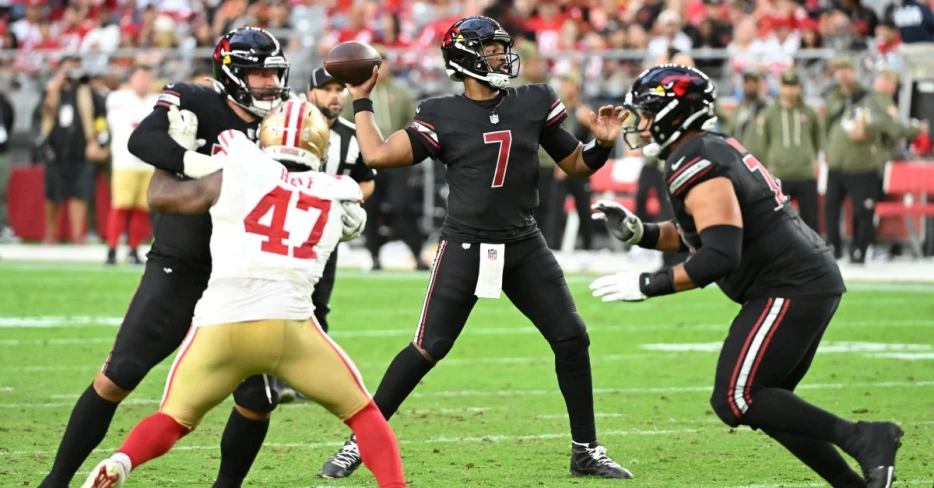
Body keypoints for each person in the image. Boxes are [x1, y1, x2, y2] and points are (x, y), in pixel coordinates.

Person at [319, 16, 632, 480]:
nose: (502, 57)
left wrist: (602, 146)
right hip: (466, 243)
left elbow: (576, 164)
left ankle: (585, 449)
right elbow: (380, 155)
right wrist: (361, 98)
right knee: (428, 347)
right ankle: (359, 441)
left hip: (524, 241)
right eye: (490, 49)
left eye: (500, 48)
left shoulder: (534, 100)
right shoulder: (441, 112)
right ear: (465, 58)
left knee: (572, 337)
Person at [590, 64, 902, 488]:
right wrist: (639, 233)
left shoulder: (695, 157)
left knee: (737, 396)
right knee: (766, 401)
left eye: (646, 112)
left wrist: (649, 285)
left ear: (673, 113)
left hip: (789, 285)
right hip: (803, 281)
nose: (640, 124)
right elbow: (707, 233)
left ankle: (866, 437)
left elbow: (720, 254)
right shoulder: (707, 149)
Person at [80, 101, 405, 488]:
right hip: (289, 328)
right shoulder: (339, 192)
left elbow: (167, 198)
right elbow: (348, 221)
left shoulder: (239, 165)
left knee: (173, 418)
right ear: (320, 146)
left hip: (220, 323)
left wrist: (176, 157)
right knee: (364, 414)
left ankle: (122, 460)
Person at [39, 27, 290, 488]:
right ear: (232, 73)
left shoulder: (284, 123)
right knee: (120, 374)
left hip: (242, 275)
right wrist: (202, 163)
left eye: (273, 75)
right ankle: (55, 481)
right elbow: (143, 142)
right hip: (182, 261)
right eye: (258, 75)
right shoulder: (194, 99)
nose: (269, 86)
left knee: (256, 397)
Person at [272, 66, 379, 403]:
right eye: (327, 89)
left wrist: (344, 200)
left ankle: (309, 379)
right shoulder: (285, 126)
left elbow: (367, 179)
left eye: (339, 90)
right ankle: (271, 378)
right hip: (283, 228)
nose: (335, 96)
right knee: (276, 301)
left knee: (318, 305)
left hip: (323, 236)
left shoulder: (351, 135)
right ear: (311, 92)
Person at [753, 69, 822, 232]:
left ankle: (813, 255)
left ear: (799, 87)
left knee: (811, 219)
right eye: (787, 86)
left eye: (794, 85)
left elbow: (817, 140)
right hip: (779, 174)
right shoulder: (769, 113)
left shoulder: (809, 112)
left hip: (805, 173)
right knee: (777, 220)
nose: (790, 90)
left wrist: (811, 159)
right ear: (780, 87)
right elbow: (762, 143)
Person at [104, 64, 158, 265]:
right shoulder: (118, 98)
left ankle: (134, 249)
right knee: (121, 205)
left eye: (148, 77)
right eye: (140, 77)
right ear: (131, 79)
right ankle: (111, 249)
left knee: (141, 208)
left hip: (148, 162)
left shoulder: (156, 100)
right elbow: (124, 127)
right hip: (125, 160)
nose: (144, 81)